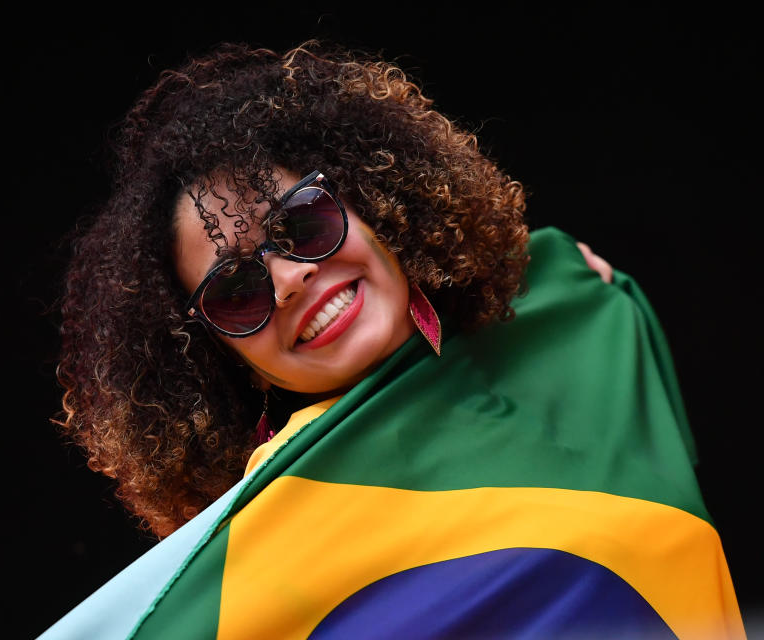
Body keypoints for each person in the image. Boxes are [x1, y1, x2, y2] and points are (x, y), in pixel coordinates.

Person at [45, 42, 744, 639]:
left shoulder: (570, 318)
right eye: (236, 290)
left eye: (302, 224)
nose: (288, 281)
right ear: (220, 353)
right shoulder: (263, 549)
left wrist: (567, 290)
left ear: (373, 203)